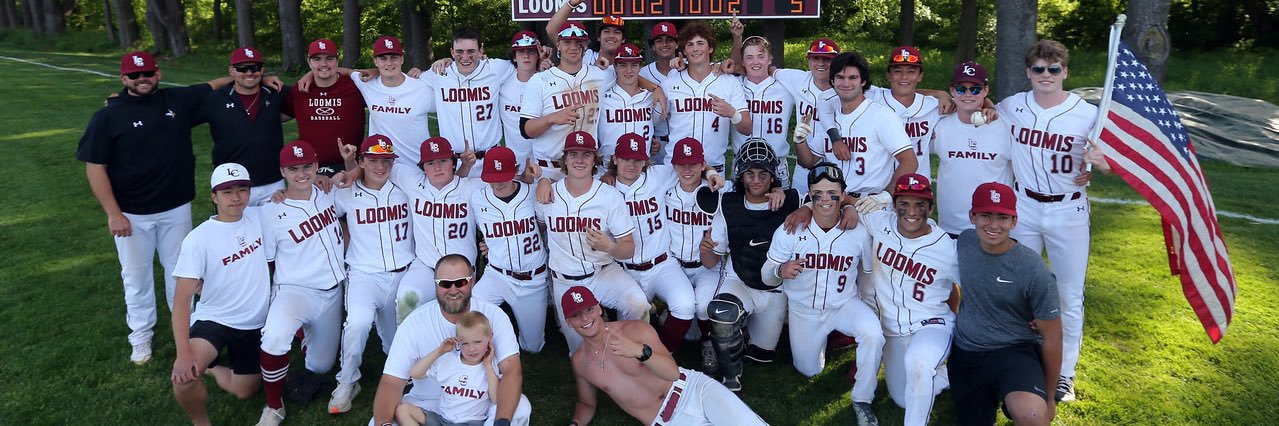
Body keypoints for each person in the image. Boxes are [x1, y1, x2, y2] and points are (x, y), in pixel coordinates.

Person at [77, 51, 239, 365]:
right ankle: (140, 337)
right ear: (124, 79)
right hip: (132, 213)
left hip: (176, 208)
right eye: (134, 76)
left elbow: (211, 85)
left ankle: (190, 329)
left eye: (147, 74)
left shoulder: (176, 100)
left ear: (158, 74)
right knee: (136, 277)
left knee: (182, 274)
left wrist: (244, 75)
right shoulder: (108, 116)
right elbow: (95, 167)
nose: (142, 80)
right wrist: (114, 213)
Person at [994, 40, 1096, 402]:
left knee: (1068, 295)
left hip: (1069, 209)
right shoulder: (1012, 106)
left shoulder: (1087, 114)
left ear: (1066, 72)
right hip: (1024, 206)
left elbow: (1113, 160)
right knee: (1016, 288)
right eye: (1039, 68)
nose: (1046, 75)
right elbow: (979, 107)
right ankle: (1020, 360)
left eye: (1054, 69)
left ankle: (1065, 373)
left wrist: (1100, 164)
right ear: (1028, 72)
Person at [761, 163, 884, 423]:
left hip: (844, 304)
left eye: (832, 193)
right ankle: (829, 341)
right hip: (804, 310)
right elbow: (766, 274)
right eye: (818, 193)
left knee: (873, 333)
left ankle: (862, 399)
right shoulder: (792, 228)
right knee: (809, 371)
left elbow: (868, 273)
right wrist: (780, 270)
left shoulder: (858, 230)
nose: (825, 199)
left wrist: (870, 308)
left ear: (843, 194)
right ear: (809, 195)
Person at [561, 286, 767, 425]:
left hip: (692, 389)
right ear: (568, 322)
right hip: (667, 421)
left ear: (598, 309)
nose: (584, 318)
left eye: (588, 309)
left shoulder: (635, 330)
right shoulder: (580, 361)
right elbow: (586, 403)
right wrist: (575, 423)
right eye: (575, 315)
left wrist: (640, 352)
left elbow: (672, 373)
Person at [372, 254, 532, 426]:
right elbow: (392, 381)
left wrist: (501, 421)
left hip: (480, 405)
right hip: (427, 403)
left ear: (472, 281)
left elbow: (511, 370)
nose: (453, 290)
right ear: (435, 285)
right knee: (377, 422)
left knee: (520, 407)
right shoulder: (415, 322)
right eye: (445, 283)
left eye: (461, 282)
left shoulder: (494, 316)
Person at [951, 182, 1063, 425]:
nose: (993, 225)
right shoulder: (965, 242)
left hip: (1013, 350)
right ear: (972, 216)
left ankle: (1027, 396)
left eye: (1002, 217)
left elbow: (1053, 337)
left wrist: (1051, 397)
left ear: (1014, 221)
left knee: (1032, 416)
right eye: (985, 215)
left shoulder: (1032, 269)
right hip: (967, 352)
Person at [169, 163, 271, 425]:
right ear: (214, 197)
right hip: (215, 319)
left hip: (253, 323)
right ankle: (201, 422)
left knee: (244, 391)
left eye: (242, 189)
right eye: (227, 192)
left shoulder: (261, 216)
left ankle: (214, 368)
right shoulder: (198, 239)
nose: (236, 197)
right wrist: (183, 354)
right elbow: (181, 301)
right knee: (184, 379)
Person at [256, 141, 347, 425]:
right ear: (283, 171)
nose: (301, 174)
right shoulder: (270, 211)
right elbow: (268, 260)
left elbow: (346, 216)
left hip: (333, 291)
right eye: (293, 169)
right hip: (295, 290)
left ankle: (304, 335)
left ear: (317, 165)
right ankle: (274, 406)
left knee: (321, 366)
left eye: (307, 166)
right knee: (273, 338)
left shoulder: (328, 193)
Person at [536, 131, 649, 355]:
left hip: (603, 273)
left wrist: (611, 247)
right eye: (574, 154)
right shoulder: (548, 195)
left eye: (586, 155)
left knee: (640, 305)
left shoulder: (609, 196)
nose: (579, 160)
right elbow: (539, 226)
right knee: (579, 352)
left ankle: (630, 350)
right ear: (565, 159)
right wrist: (543, 180)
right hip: (564, 282)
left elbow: (628, 247)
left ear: (595, 160)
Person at [860, 173, 959, 426]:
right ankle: (959, 374)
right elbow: (844, 204)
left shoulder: (946, 248)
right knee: (902, 397)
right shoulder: (881, 221)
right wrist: (807, 209)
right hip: (893, 330)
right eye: (904, 203)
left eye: (920, 204)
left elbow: (961, 289)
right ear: (894, 205)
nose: (911, 211)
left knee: (918, 364)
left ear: (931, 207)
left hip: (931, 325)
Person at [700, 140, 800, 391]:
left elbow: (822, 205)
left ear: (772, 176)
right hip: (740, 280)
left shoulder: (792, 200)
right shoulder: (728, 204)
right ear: (741, 175)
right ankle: (731, 377)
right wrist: (706, 250)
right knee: (722, 313)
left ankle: (735, 337)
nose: (756, 180)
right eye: (750, 173)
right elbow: (712, 261)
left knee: (761, 355)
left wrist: (806, 209)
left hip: (774, 289)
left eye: (763, 174)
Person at [326, 135, 414, 414]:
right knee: (358, 324)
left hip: (404, 274)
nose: (380, 166)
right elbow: (313, 207)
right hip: (365, 275)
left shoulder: (405, 188)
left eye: (386, 160)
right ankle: (347, 381)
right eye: (373, 160)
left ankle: (407, 378)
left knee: (397, 341)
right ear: (361, 162)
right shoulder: (346, 192)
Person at [609, 133, 703, 353]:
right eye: (625, 159)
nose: (632, 165)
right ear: (615, 159)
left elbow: (688, 168)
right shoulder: (605, 189)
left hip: (662, 264)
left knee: (686, 304)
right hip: (625, 270)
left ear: (646, 160)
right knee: (632, 328)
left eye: (637, 159)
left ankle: (664, 353)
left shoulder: (657, 175)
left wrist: (709, 171)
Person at [383, 136, 482, 320]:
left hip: (461, 270)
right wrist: (350, 170)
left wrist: (531, 179)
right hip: (425, 266)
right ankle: (409, 348)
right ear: (422, 167)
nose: (437, 167)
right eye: (430, 163)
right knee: (406, 301)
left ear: (453, 163)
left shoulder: (471, 188)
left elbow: (505, 184)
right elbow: (378, 165)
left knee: (461, 319)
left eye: (443, 161)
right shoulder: (412, 181)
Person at [469, 146, 551, 353]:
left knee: (534, 347)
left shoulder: (532, 193)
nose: (497, 182)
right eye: (492, 176)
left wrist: (545, 179)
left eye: (503, 175)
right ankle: (490, 346)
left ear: (515, 170)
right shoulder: (477, 197)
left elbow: (542, 226)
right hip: (497, 275)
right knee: (470, 314)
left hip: (533, 279)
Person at [661, 137, 729, 374]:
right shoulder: (664, 187)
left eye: (693, 164)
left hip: (707, 268)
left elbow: (751, 189)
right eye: (681, 164)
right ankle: (663, 351)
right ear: (673, 166)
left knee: (702, 308)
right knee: (684, 309)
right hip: (674, 265)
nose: (687, 169)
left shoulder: (720, 191)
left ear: (703, 165)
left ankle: (708, 343)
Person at [520, 21, 617, 182]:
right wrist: (552, 118)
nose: (573, 47)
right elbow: (526, 130)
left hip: (585, 168)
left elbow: (630, 76)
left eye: (578, 43)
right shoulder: (540, 80)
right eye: (567, 42)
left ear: (586, 46)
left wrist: (655, 89)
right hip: (548, 170)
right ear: (558, 44)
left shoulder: (600, 75)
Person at [197, 46, 292, 206]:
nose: (249, 73)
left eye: (254, 68)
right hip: (232, 183)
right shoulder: (214, 99)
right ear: (231, 71)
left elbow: (307, 96)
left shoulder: (275, 93)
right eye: (242, 68)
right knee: (235, 230)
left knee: (275, 230)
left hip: (272, 182)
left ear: (262, 70)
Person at [816, 51, 917, 198]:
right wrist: (800, 140)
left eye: (853, 78)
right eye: (840, 77)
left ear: (863, 81)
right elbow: (808, 161)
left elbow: (910, 161)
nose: (846, 83)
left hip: (870, 201)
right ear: (832, 81)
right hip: (834, 201)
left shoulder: (882, 115)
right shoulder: (829, 112)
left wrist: (886, 196)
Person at [931, 61, 1013, 236]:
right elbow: (901, 95)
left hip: (993, 228)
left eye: (975, 89)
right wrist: (938, 94)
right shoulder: (940, 125)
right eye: (961, 89)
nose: (968, 94)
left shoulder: (1005, 126)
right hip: (949, 227)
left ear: (985, 90)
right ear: (952, 91)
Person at [423, 28, 515, 176]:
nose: (465, 57)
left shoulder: (496, 69)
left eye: (471, 51)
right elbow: (404, 81)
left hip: (490, 159)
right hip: (454, 162)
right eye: (459, 52)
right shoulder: (438, 73)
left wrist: (543, 61)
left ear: (481, 50)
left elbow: (525, 64)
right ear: (452, 52)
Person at [661, 22, 751, 170]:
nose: (695, 49)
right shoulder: (670, 82)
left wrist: (732, 113)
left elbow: (747, 128)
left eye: (700, 43)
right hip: (676, 166)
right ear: (683, 50)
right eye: (690, 44)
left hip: (714, 167)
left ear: (710, 48)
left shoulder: (729, 82)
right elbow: (654, 119)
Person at [397, 311, 501, 426]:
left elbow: (496, 399)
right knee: (402, 410)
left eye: (477, 342)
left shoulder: (489, 365)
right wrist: (439, 351)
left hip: (468, 423)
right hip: (442, 419)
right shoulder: (449, 361)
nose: (471, 349)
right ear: (458, 341)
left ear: (490, 337)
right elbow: (415, 373)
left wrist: (487, 365)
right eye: (465, 343)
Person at [863, 46, 952, 178]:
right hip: (878, 184)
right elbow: (842, 85)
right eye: (897, 71)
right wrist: (937, 92)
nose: (904, 77)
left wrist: (988, 105)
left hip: (917, 188)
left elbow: (970, 101)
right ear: (889, 75)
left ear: (920, 76)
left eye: (911, 72)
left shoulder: (933, 105)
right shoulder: (874, 96)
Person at [769, 37, 841, 194]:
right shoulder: (797, 79)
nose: (821, 63)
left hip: (837, 166)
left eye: (827, 59)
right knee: (799, 210)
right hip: (804, 166)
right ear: (808, 60)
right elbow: (768, 69)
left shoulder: (846, 86)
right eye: (816, 58)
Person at [352, 36, 437, 169]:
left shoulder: (421, 88)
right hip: (381, 167)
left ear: (402, 59)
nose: (389, 63)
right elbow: (342, 72)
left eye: (394, 57)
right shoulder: (367, 83)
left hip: (416, 167)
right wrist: (310, 75)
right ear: (375, 61)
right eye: (383, 58)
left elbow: (453, 103)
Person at [728, 27, 798, 187]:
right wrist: (737, 38)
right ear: (743, 62)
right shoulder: (733, 85)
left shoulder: (786, 86)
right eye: (749, 57)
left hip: (776, 164)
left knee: (780, 209)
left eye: (761, 56)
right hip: (742, 164)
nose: (755, 62)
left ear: (770, 58)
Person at [287, 38, 366, 176]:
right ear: (309, 62)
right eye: (317, 59)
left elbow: (381, 75)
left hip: (350, 167)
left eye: (329, 58)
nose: (323, 64)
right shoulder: (300, 90)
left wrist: (416, 73)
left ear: (337, 60)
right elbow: (278, 114)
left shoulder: (356, 87)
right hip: (310, 170)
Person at [596, 44, 657, 166]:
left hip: (642, 167)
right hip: (607, 168)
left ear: (640, 67)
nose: (629, 71)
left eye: (634, 65)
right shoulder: (602, 97)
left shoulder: (651, 97)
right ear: (615, 66)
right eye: (623, 65)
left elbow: (657, 126)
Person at [498, 30, 549, 170]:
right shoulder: (503, 83)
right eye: (520, 52)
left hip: (543, 161)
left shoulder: (548, 81)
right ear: (514, 57)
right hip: (513, 160)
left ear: (538, 55)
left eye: (531, 52)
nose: (526, 56)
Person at [641, 21, 680, 163]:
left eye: (669, 40)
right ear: (652, 46)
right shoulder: (643, 74)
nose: (664, 44)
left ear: (677, 44)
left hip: (683, 141)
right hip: (655, 144)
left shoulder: (688, 70)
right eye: (659, 41)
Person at [546, 1, 625, 66]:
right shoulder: (585, 55)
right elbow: (551, 30)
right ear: (598, 37)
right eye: (606, 31)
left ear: (623, 39)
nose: (611, 36)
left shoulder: (630, 63)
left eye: (617, 32)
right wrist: (571, 4)